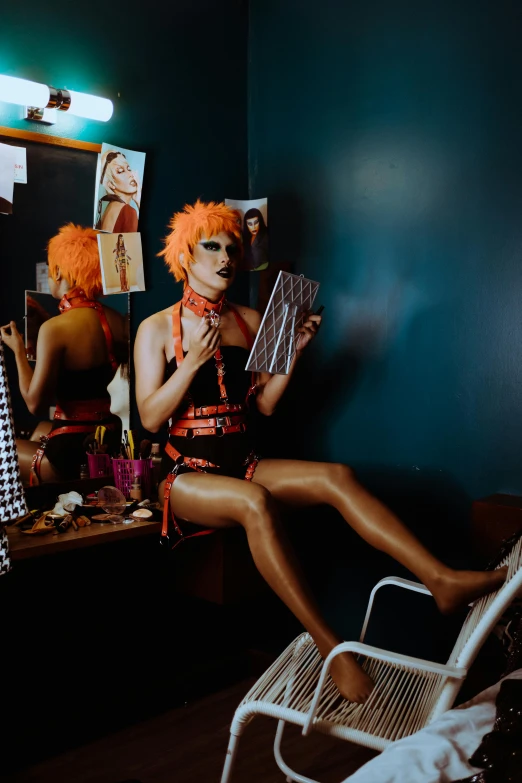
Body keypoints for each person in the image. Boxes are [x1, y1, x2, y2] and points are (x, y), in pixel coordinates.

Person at [134, 200, 506, 704]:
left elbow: (263, 406)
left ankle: (439, 579)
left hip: (243, 463)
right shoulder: (156, 328)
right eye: (212, 246)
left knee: (335, 475)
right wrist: (190, 363)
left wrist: (294, 352)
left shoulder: (248, 320)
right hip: (187, 477)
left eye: (232, 248)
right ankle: (333, 650)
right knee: (255, 503)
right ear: (186, 256)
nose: (225, 257)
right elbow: (151, 419)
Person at [1, 224, 128, 484]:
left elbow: (35, 404)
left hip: (69, 455)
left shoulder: (55, 329)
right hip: (109, 443)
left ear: (57, 271)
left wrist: (18, 351)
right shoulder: (119, 322)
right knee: (39, 431)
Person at [95, 150, 141, 233]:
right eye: (121, 171)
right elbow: (133, 245)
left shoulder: (109, 208)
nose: (130, 174)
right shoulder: (128, 211)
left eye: (129, 169)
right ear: (111, 184)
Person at [242, 207, 269, 271]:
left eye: (256, 222)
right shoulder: (245, 237)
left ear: (260, 221)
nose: (253, 227)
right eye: (250, 224)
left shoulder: (266, 235)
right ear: (246, 225)